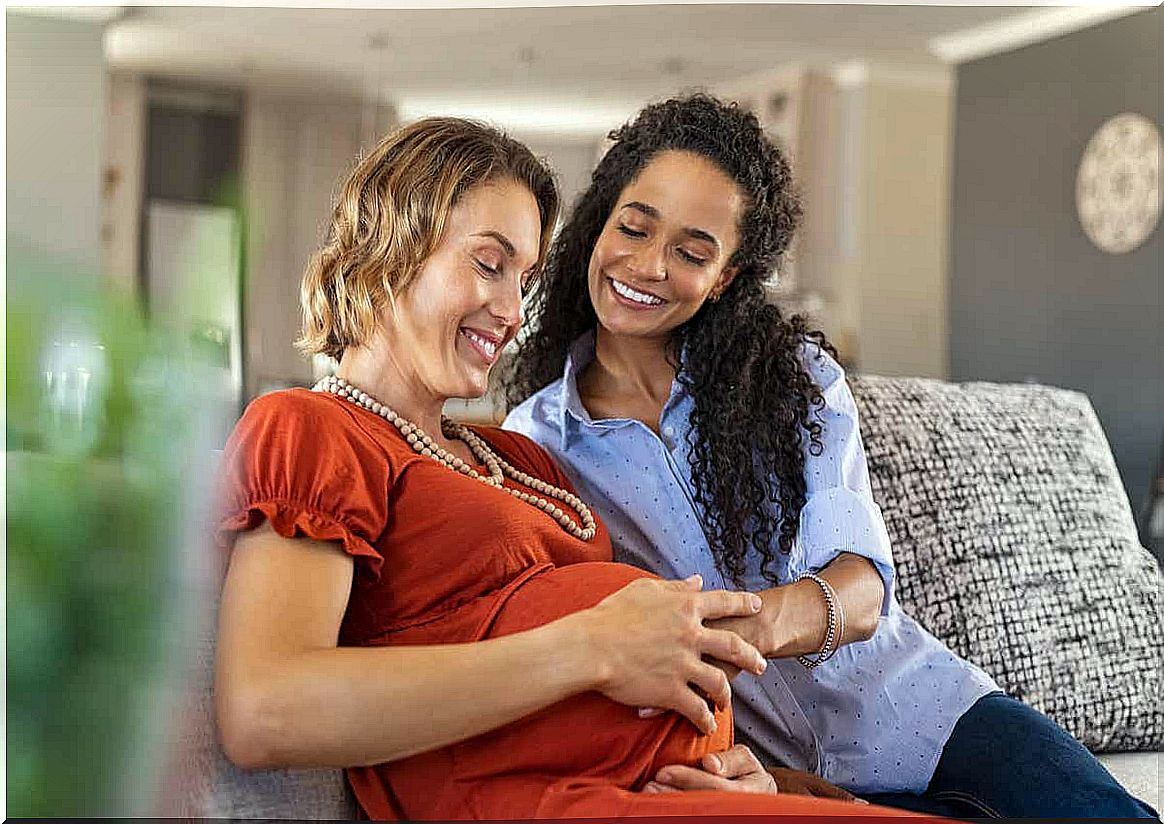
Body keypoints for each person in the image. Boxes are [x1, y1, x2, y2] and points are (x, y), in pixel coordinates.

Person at [213, 116, 923, 820]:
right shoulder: (312, 429)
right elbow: (264, 711)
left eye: (523, 280)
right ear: (389, 246)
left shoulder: (520, 457)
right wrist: (586, 648)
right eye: (489, 265)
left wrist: (745, 771)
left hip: (677, 789)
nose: (511, 313)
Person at [502, 93, 1159, 820]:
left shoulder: (797, 383)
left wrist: (751, 628)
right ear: (600, 224)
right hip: (758, 771)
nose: (649, 266)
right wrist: (767, 776)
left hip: (934, 715)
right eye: (633, 227)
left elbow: (861, 588)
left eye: (692, 252)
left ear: (725, 276)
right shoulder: (537, 445)